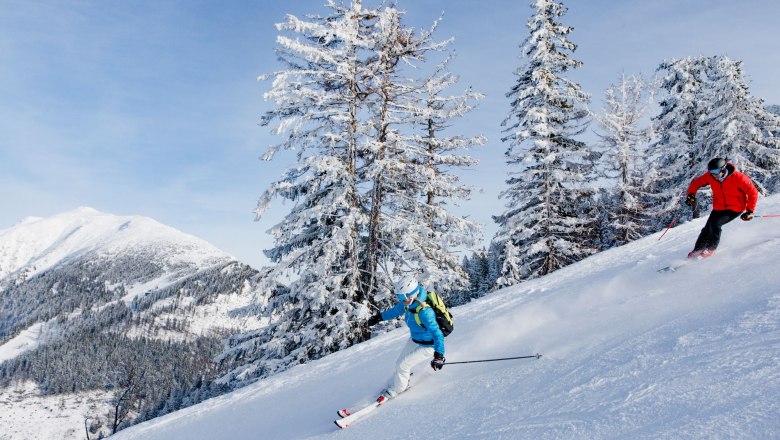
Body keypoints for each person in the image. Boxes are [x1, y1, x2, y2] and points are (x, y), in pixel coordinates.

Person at [366, 276, 445, 403]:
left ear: (413, 294)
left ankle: (398, 389)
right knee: (399, 363)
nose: (401, 300)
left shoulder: (425, 312)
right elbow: (395, 311)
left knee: (403, 365)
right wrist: (378, 318)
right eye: (399, 297)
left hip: (429, 345)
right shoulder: (409, 303)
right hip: (416, 339)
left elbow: (437, 334)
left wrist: (439, 355)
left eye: (403, 297)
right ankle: (403, 378)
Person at [684, 157, 758, 259]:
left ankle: (711, 248)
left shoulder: (739, 178)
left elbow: (753, 193)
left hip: (735, 208)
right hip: (719, 207)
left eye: (716, 171)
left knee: (715, 224)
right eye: (711, 172)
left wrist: (750, 211)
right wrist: (691, 195)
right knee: (707, 228)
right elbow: (696, 183)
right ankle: (698, 249)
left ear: (723, 169)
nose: (714, 174)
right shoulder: (711, 176)